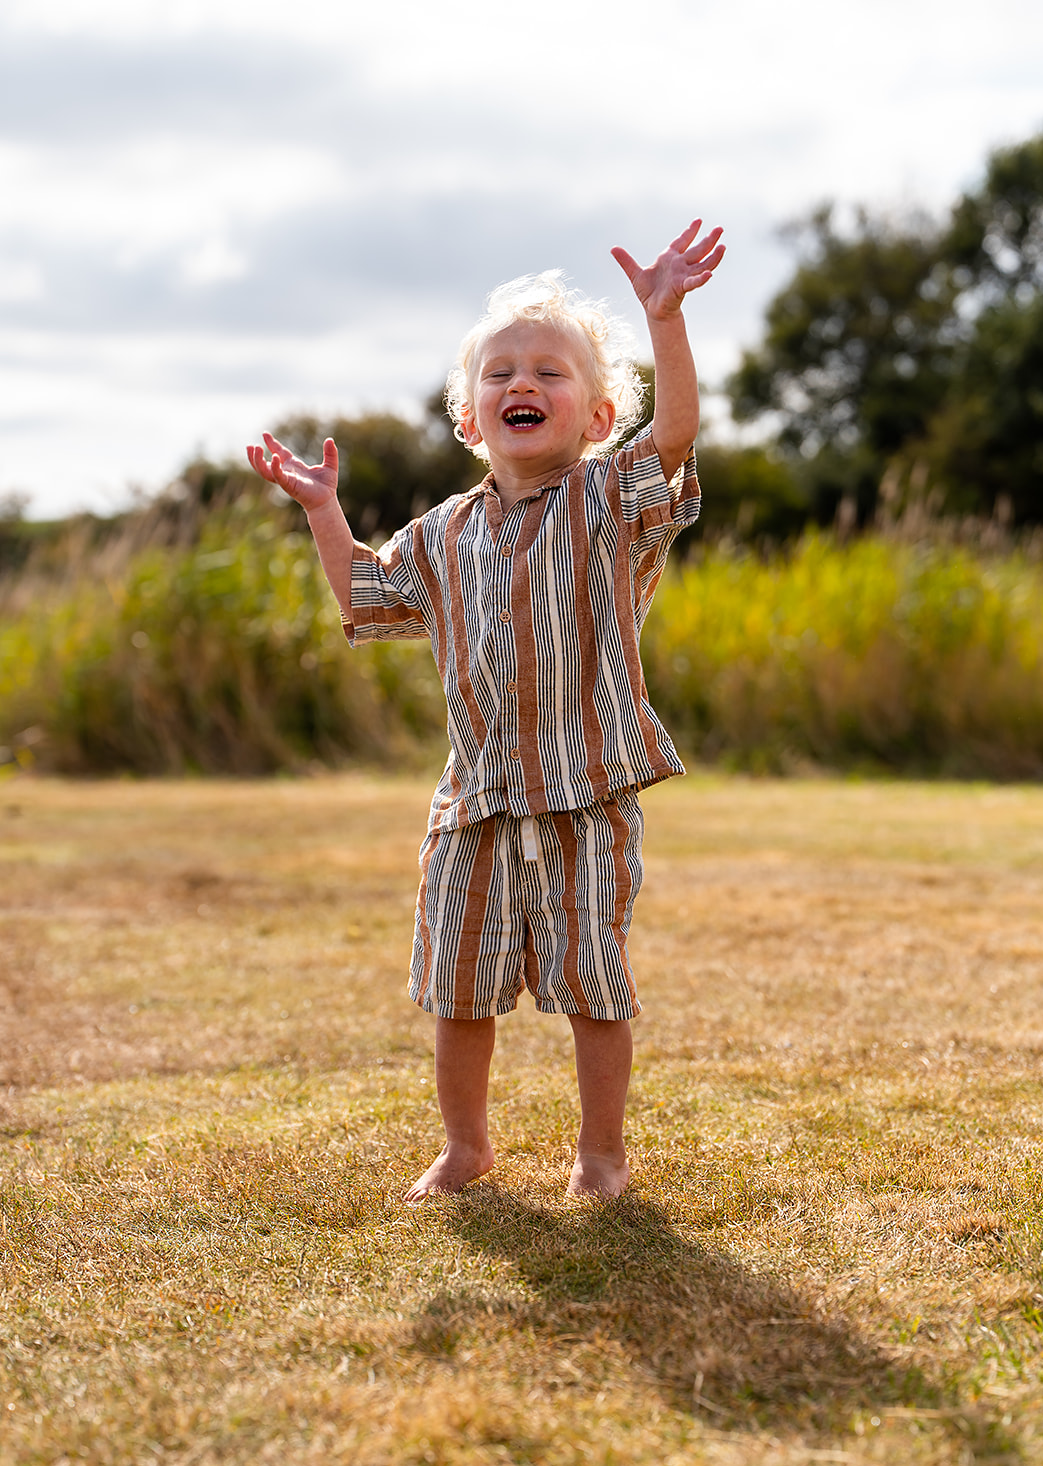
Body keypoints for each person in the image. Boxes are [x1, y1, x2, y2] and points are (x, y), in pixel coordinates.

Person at [248, 220, 725, 1202]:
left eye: (549, 373)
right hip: (472, 801)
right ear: (470, 419)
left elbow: (673, 436)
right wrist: (322, 510)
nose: (522, 383)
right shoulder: (438, 534)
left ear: (594, 416)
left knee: (592, 978)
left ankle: (599, 1155)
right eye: (501, 372)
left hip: (585, 789)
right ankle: (464, 1146)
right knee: (457, 985)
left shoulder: (609, 500)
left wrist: (663, 320)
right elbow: (367, 602)